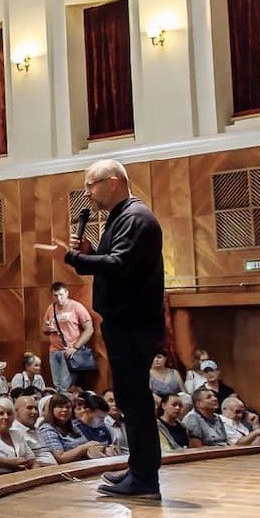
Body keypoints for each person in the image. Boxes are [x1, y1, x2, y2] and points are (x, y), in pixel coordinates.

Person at [37, 160, 166, 499]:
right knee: (130, 399)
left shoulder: (136, 218)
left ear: (112, 182)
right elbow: (114, 261)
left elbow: (120, 265)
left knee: (135, 401)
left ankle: (144, 479)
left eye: (90, 184)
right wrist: (90, 253)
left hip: (133, 325)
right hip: (127, 323)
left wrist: (72, 258)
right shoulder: (122, 218)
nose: (87, 192)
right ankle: (139, 472)